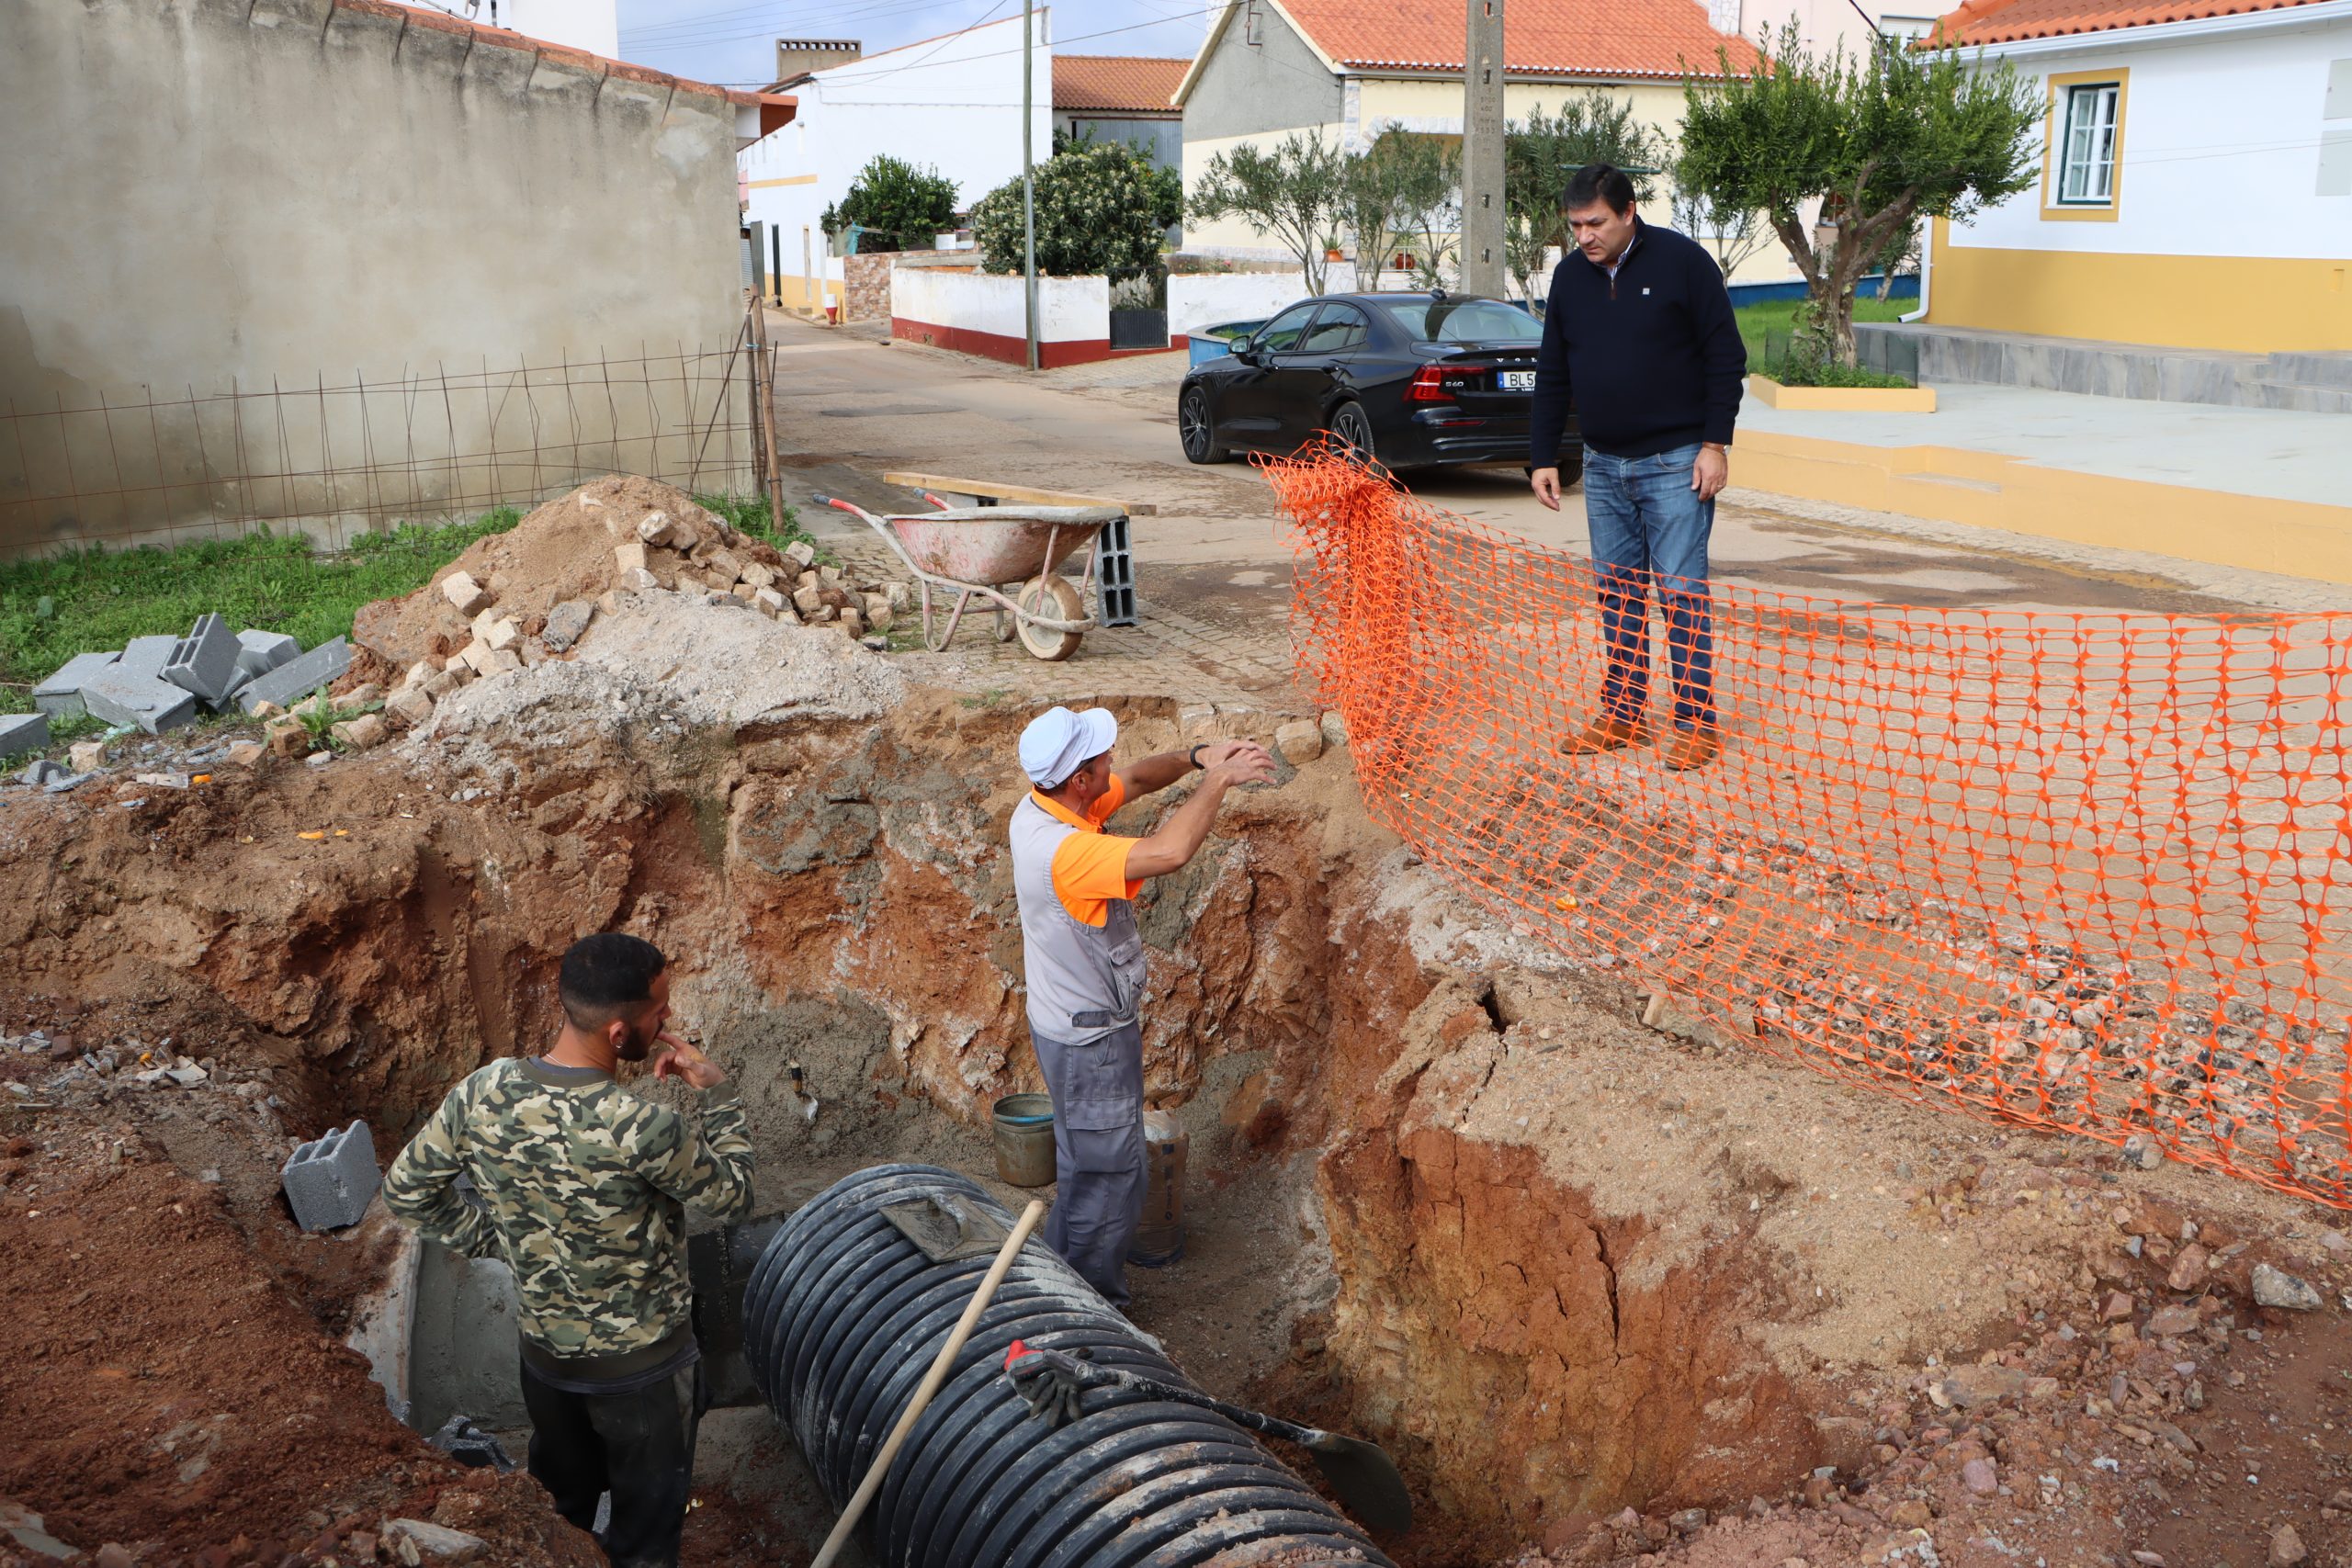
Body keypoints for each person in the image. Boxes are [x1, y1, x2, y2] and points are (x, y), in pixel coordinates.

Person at [383, 934, 752, 1568]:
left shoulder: (483, 1091)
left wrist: (499, 1241)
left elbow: (406, 1189)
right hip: (644, 1379)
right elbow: (734, 1196)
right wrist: (716, 1093)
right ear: (617, 1032)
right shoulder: (642, 1127)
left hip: (547, 1367)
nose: (667, 1020)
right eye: (657, 1010)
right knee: (645, 1540)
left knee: (559, 1519)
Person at [1009, 706, 1274, 1306]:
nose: (1114, 762)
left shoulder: (1047, 806)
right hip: (1090, 1042)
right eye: (1102, 757)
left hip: (1068, 1028)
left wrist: (1195, 755)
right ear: (1080, 778)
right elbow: (1171, 850)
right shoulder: (1067, 852)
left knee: (1087, 1166)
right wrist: (1218, 782)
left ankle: (1061, 1269)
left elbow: (1139, 778)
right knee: (1108, 1178)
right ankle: (1086, 1306)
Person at [1528, 162, 1748, 772]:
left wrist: (1714, 443)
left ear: (1628, 212)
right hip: (1601, 467)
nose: (1584, 236)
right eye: (1574, 225)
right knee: (1617, 595)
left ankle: (1695, 724)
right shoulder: (1570, 278)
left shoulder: (1684, 263)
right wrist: (1544, 454)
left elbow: (1725, 356)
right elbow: (1553, 371)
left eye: (1595, 222)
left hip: (1677, 463)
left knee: (1680, 594)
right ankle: (1623, 715)